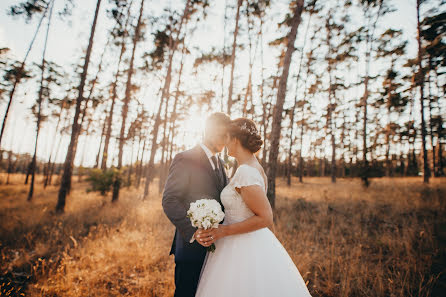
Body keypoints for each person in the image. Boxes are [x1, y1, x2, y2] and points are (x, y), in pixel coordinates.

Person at [194, 118, 312, 297]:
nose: (225, 143)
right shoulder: (251, 168)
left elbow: (265, 217)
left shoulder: (245, 172)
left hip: (241, 245)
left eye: (227, 137)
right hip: (243, 241)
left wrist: (224, 231)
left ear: (234, 139)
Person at [162, 112, 231, 297]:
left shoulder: (221, 163)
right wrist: (195, 231)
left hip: (217, 250)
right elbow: (169, 200)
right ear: (209, 131)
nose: (226, 140)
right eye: (222, 134)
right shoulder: (185, 158)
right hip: (191, 249)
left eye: (227, 136)